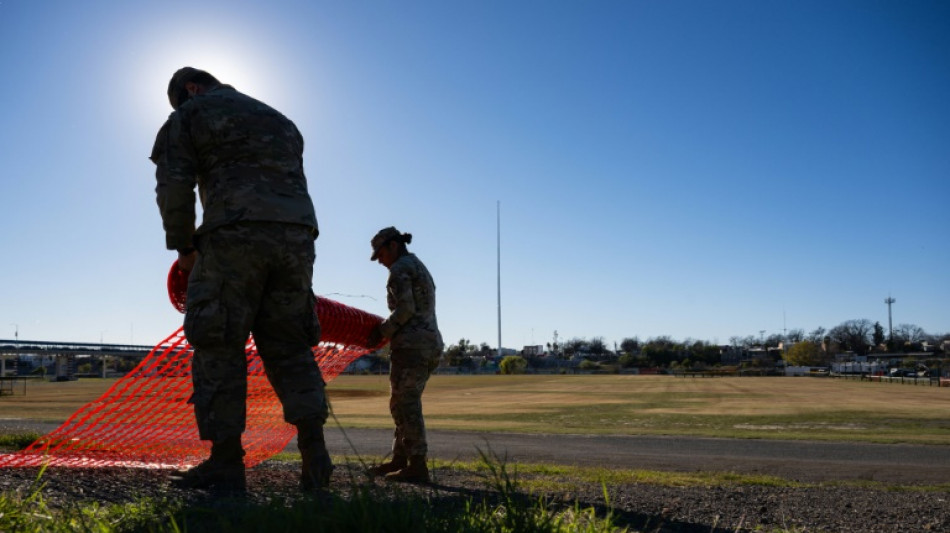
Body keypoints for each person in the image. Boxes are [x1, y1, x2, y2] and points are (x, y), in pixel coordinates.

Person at [150, 67, 332, 491]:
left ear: (191, 89)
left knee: (218, 342)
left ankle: (226, 462)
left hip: (233, 234)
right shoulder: (280, 119)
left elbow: (172, 185)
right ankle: (315, 454)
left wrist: (183, 248)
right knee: (290, 345)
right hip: (297, 239)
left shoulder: (190, 115)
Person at [366, 227, 444, 482]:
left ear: (393, 246)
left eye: (380, 254)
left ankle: (417, 466)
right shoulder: (417, 265)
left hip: (412, 346)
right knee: (400, 403)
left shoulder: (399, 270)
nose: (379, 260)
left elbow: (405, 309)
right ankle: (400, 459)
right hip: (428, 344)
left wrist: (381, 332)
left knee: (406, 405)